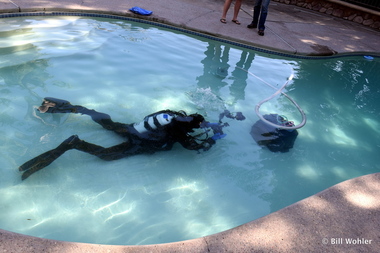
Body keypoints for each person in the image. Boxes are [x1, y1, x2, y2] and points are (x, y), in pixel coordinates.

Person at [19, 97, 221, 180]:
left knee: (107, 123)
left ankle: (77, 108)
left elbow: (147, 121)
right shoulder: (179, 134)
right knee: (106, 156)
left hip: (131, 129)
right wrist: (214, 140)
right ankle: (75, 144)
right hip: (139, 144)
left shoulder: (167, 114)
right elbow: (196, 148)